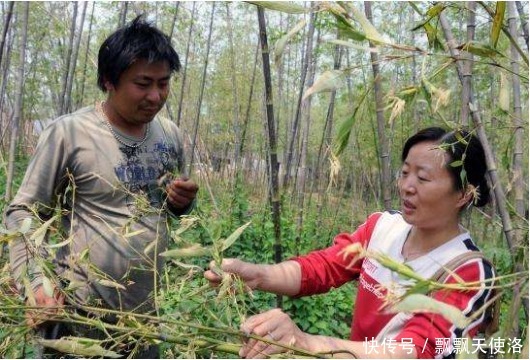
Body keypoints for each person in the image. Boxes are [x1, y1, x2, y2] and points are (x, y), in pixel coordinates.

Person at [205, 127, 496, 359]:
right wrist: (258, 275)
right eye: (405, 172)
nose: (407, 186)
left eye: (422, 178)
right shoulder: (382, 228)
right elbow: (323, 267)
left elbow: (413, 351)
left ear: (464, 194)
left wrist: (307, 343)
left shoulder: (468, 272)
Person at [5, 15, 198, 358]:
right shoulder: (70, 134)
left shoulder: (170, 135)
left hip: (142, 321)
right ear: (109, 80)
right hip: (78, 322)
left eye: (164, 83)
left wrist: (181, 203)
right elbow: (24, 211)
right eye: (143, 83)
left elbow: (162, 208)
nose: (155, 96)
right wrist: (36, 285)